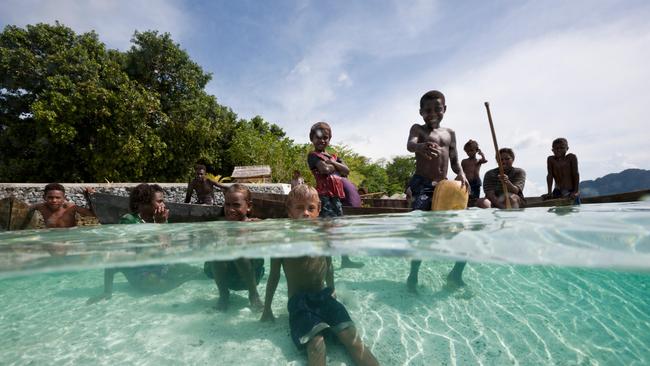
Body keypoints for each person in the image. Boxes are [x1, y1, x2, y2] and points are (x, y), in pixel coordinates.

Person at [261, 185, 379, 366]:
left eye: (310, 208)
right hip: (299, 302)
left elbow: (329, 266)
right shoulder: (282, 241)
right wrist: (267, 308)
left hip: (324, 297)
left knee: (352, 338)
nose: (305, 213)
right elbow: (274, 276)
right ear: (289, 211)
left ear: (318, 210)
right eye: (299, 208)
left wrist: (332, 290)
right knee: (316, 343)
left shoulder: (323, 238)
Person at [86, 184, 201, 305]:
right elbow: (115, 258)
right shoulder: (129, 221)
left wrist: (161, 224)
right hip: (139, 274)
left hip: (159, 266)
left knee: (196, 272)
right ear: (144, 204)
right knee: (163, 286)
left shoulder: (157, 219)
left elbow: (166, 247)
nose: (164, 205)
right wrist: (107, 291)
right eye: (159, 201)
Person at [405, 90, 469, 292]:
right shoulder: (418, 129)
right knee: (421, 233)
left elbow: (455, 162)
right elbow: (410, 144)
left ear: (445, 110)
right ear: (421, 112)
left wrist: (463, 174)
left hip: (444, 188)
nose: (432, 113)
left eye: (437, 109)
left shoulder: (450, 134)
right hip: (422, 184)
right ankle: (413, 276)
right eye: (427, 110)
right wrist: (420, 147)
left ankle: (455, 274)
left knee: (461, 233)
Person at [308, 121, 364, 269]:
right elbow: (325, 169)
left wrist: (333, 163)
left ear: (329, 139)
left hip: (336, 198)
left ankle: (346, 260)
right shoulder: (313, 156)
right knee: (327, 230)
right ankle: (327, 263)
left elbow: (346, 171)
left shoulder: (332, 156)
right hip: (324, 197)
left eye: (325, 137)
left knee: (340, 227)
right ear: (312, 138)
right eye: (318, 137)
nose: (322, 140)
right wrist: (335, 165)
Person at [204, 184, 265, 311]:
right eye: (227, 204)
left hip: (251, 276)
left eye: (236, 205)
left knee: (238, 251)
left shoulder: (255, 225)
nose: (230, 209)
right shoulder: (220, 226)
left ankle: (253, 295)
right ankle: (223, 295)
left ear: (249, 206)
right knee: (216, 252)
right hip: (228, 277)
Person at [26, 183, 95, 228]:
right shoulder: (40, 207)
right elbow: (24, 210)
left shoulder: (70, 207)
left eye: (58, 198)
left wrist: (89, 197)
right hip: (50, 238)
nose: (54, 200)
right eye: (50, 197)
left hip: (69, 238)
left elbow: (92, 214)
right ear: (44, 197)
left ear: (64, 198)